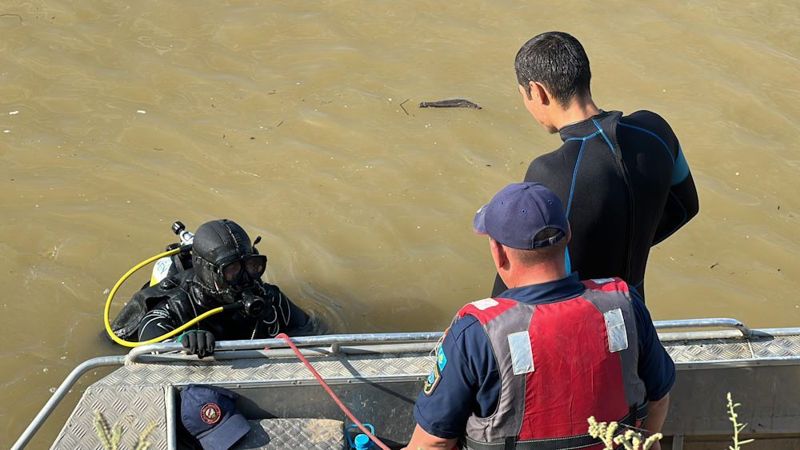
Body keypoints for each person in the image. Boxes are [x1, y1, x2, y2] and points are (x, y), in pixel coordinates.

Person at [405, 182, 674, 450]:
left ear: (498, 252)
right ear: (568, 233)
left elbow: (434, 442)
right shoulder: (625, 305)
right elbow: (658, 399)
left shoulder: (476, 333)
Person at [492, 31, 699, 300]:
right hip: (637, 314)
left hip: (583, 329)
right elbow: (686, 207)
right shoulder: (656, 130)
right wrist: (630, 243)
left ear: (538, 92)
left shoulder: (548, 173)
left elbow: (514, 281)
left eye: (524, 95)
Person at [111, 219, 317, 358]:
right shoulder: (178, 304)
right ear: (208, 271)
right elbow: (149, 336)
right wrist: (181, 342)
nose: (245, 279)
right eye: (232, 270)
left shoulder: (267, 298)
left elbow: (314, 331)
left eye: (253, 266)